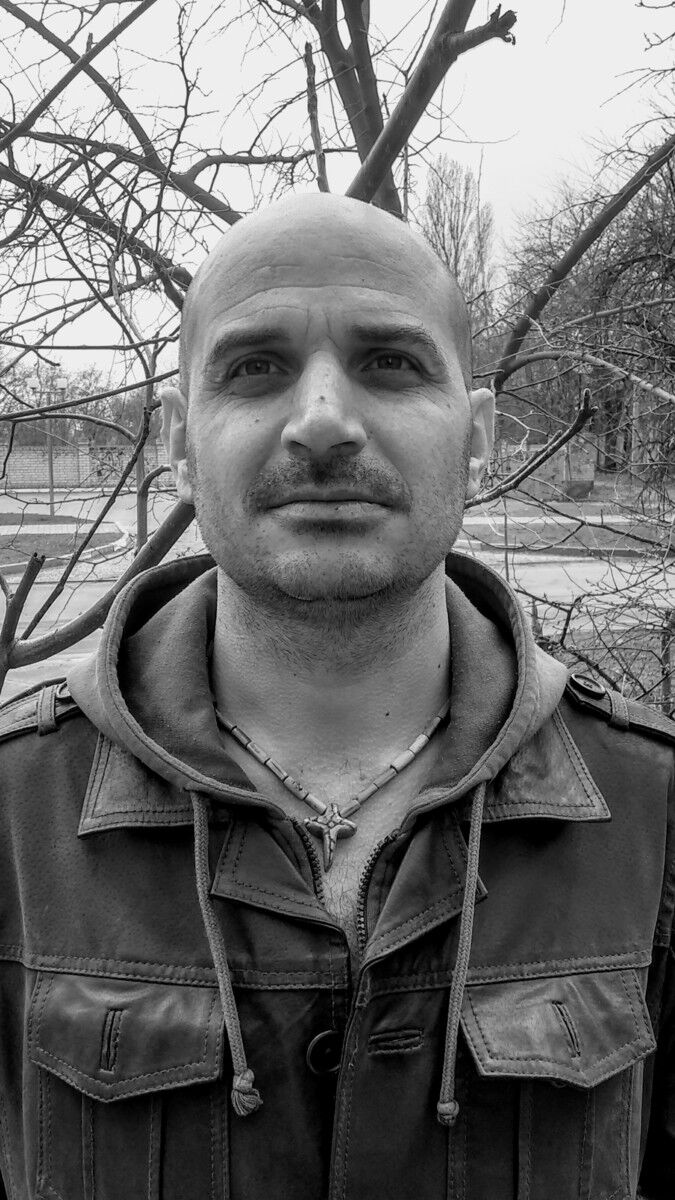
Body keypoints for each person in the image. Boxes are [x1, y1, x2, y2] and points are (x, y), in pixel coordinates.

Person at [0, 192, 673, 1200]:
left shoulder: (653, 812)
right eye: (255, 367)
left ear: (478, 436)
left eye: (390, 362)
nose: (322, 423)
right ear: (179, 439)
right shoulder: (15, 814)